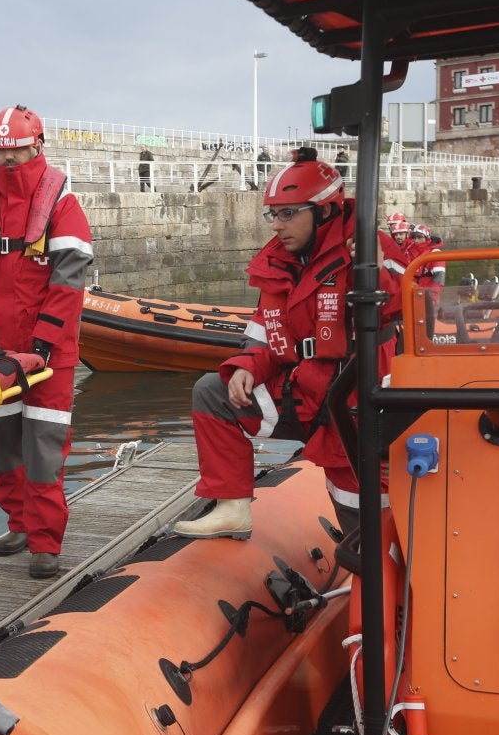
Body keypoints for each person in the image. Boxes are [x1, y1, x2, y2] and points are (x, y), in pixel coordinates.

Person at [173, 147, 405, 540]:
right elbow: (266, 335)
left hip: (361, 399)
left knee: (365, 520)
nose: (277, 226)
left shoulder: (369, 248)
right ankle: (231, 506)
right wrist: (247, 366)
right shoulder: (279, 264)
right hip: (309, 393)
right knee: (212, 393)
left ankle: (391, 583)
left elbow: (403, 309)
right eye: (273, 214)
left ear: (324, 210)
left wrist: (376, 270)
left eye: (288, 213)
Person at [0, 104, 94, 579]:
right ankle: (19, 525)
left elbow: (69, 280)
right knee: (5, 443)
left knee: (44, 445)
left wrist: (46, 343)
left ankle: (45, 542)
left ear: (38, 146)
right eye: (1, 151)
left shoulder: (61, 202)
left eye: (16, 150)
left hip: (50, 354)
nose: (8, 160)